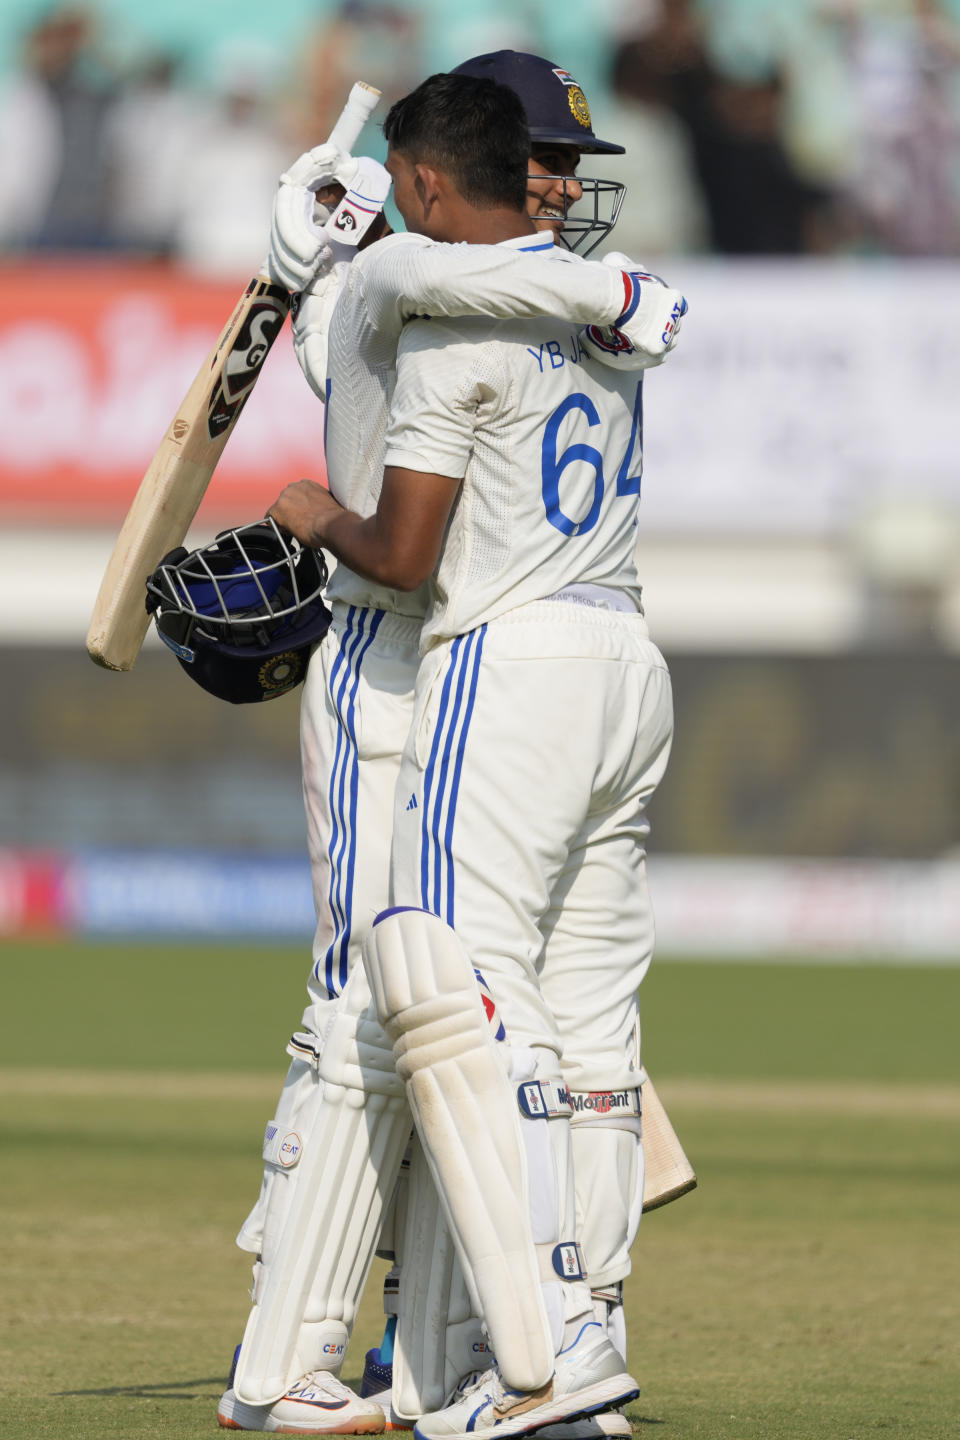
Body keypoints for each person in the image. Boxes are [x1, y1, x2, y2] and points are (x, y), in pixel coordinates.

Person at [218, 56, 685, 1438]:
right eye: (536, 158)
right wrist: (311, 279)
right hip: (446, 676)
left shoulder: (442, 289)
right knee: (409, 1011)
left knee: (462, 1012)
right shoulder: (458, 295)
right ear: (469, 160)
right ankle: (359, 1352)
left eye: (569, 167)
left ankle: (490, 1343)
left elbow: (418, 318)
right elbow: (378, 338)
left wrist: (321, 276)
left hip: (490, 661)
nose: (556, 188)